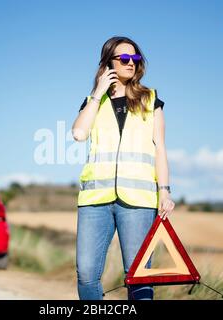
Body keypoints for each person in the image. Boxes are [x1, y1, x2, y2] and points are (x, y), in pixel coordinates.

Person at [71, 36, 176, 300]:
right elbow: (79, 134)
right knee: (86, 273)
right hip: (95, 200)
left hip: (138, 201)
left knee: (138, 274)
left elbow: (160, 148)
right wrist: (97, 94)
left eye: (136, 58)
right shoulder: (94, 101)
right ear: (109, 63)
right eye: (124, 58)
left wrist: (164, 191)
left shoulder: (151, 99)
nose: (131, 63)